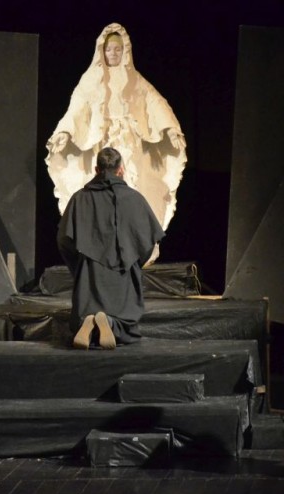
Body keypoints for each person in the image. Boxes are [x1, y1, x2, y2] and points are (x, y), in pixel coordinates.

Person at [46, 22, 186, 233]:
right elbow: (77, 106)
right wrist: (66, 131)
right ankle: (102, 231)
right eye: (109, 49)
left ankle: (131, 231)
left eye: (118, 49)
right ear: (102, 51)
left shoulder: (134, 80)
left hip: (127, 141)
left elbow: (155, 102)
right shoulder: (91, 80)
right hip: (102, 140)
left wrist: (169, 128)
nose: (113, 53)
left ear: (125, 51)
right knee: (102, 185)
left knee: (130, 181)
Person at [57, 147, 165, 349]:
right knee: (128, 326)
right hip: (124, 274)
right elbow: (149, 242)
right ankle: (111, 323)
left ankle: (88, 322)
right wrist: (134, 262)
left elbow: (64, 240)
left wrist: (79, 266)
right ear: (121, 169)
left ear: (96, 169)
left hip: (90, 275)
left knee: (82, 314)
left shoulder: (80, 198)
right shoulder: (135, 199)